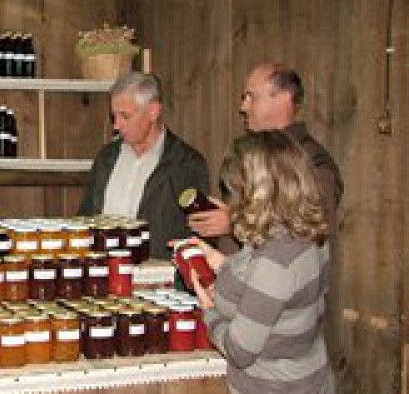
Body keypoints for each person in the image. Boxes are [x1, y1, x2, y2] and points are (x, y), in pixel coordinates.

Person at [185, 130, 334, 393]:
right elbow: (280, 300)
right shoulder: (305, 233)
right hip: (310, 377)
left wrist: (209, 312)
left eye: (236, 190)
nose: (233, 199)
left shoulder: (275, 261)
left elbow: (240, 350)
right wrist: (221, 263)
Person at [187, 63, 343, 248]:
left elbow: (310, 233)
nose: (243, 107)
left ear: (283, 99)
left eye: (251, 97)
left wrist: (233, 223)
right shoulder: (249, 157)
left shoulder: (314, 163)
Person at [78, 72, 210, 259]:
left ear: (153, 112)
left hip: (160, 282)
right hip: (104, 276)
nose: (116, 125)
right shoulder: (106, 159)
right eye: (114, 116)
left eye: (125, 116)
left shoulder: (186, 164)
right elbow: (85, 217)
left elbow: (202, 232)